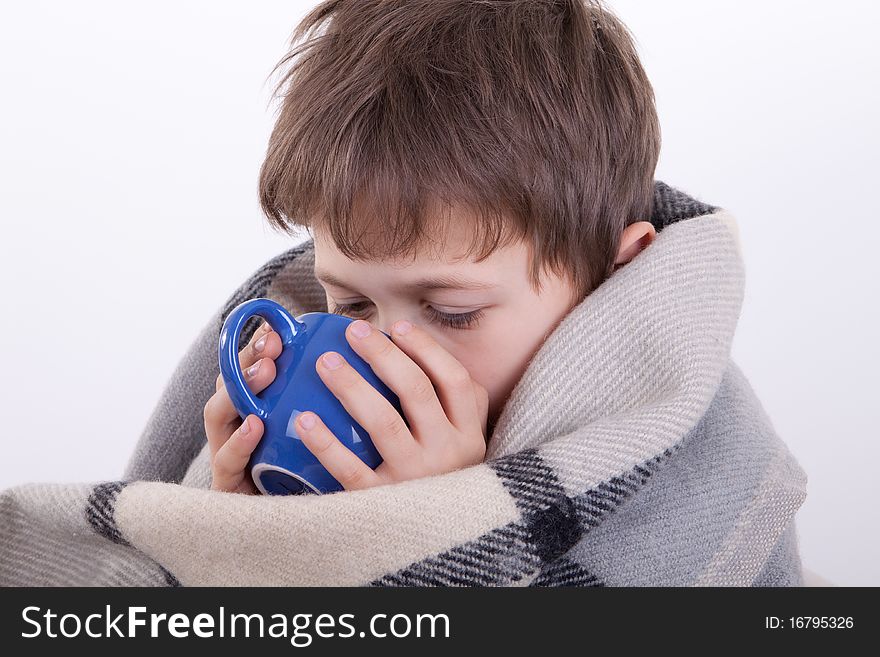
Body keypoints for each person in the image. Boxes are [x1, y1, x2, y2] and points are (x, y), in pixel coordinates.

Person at [204, 0, 660, 495]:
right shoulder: (274, 324)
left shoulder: (694, 474)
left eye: (453, 312)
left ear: (613, 275)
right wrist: (242, 531)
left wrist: (436, 521)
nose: (387, 354)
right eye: (352, 305)